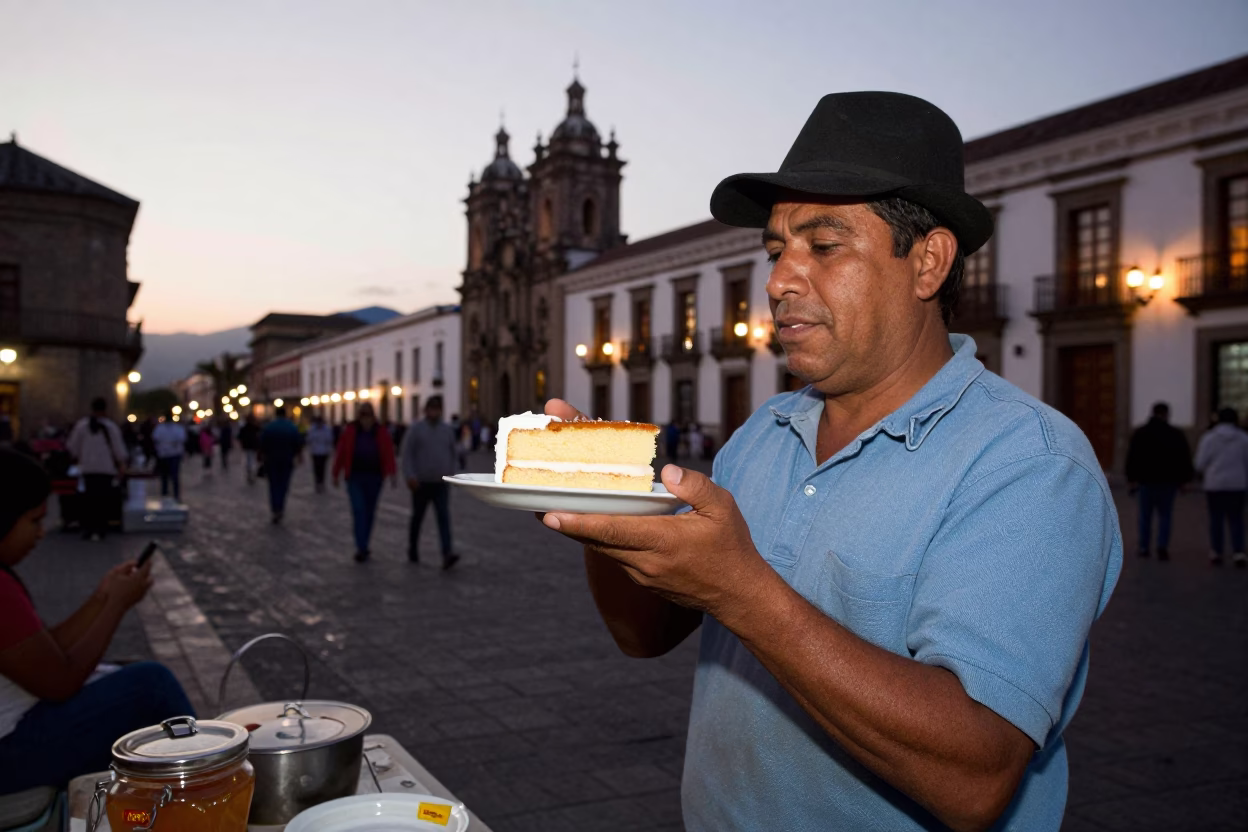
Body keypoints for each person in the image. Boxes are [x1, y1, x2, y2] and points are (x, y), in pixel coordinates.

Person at [538, 92, 1122, 831]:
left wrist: (744, 590)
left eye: (824, 244)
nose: (780, 280)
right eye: (777, 250)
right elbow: (642, 634)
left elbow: (976, 776)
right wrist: (604, 505)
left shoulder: (1028, 465)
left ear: (929, 263)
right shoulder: (763, 434)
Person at [0, 449, 195, 790]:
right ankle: (215, 787)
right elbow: (59, 681)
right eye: (33, 521)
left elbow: (46, 649)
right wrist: (117, 606)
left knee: (125, 674)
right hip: (10, 753)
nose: (41, 532)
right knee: (151, 684)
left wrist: (101, 597)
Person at [1124, 402, 1194, 560]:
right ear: (1166, 414)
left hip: (1145, 481)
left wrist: (1131, 478)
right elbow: (1183, 458)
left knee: (1144, 516)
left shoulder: (1141, 432)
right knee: (1165, 515)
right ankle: (1162, 546)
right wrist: (1185, 480)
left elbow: (1132, 457)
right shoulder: (1175, 433)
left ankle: (1144, 546)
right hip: (1168, 481)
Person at [332, 403, 397, 562]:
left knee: (369, 512)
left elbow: (388, 452)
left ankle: (365, 543)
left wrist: (392, 473)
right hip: (355, 477)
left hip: (375, 477)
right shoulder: (350, 431)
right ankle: (361, 547)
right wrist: (335, 473)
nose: (366, 419)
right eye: (363, 415)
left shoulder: (381, 432)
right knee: (359, 510)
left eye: (368, 415)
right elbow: (341, 452)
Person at [399, 396, 458, 569]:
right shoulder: (416, 430)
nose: (434, 412)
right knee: (417, 517)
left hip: (440, 483)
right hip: (421, 483)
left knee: (443, 518)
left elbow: (452, 453)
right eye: (431, 408)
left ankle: (447, 553)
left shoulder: (447, 430)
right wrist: (410, 476)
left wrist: (452, 474)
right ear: (426, 410)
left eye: (437, 408)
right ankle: (413, 548)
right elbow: (407, 455)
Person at [66, 397, 127, 541]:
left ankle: (88, 527)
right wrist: (121, 464)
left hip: (87, 468)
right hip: (106, 469)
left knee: (89, 499)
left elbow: (72, 447)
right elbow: (119, 449)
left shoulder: (82, 426)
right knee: (103, 499)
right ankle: (101, 528)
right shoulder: (111, 427)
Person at [1194, 407, 1248, 567]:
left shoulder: (1209, 438)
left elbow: (1200, 463)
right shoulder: (1244, 438)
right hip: (1237, 483)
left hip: (1215, 484)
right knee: (1237, 519)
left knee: (1216, 519)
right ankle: (1238, 551)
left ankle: (1216, 551)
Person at [258, 407, 303, 523]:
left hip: (271, 460)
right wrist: (299, 456)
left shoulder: (269, 427)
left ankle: (275, 508)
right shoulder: (291, 427)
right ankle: (280, 507)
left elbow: (262, 442)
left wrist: (261, 456)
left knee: (273, 485)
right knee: (284, 484)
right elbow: (298, 442)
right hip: (287, 459)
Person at [151, 414, 188, 502]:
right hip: (172, 454)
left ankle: (166, 495)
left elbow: (155, 438)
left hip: (166, 455)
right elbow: (183, 438)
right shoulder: (177, 428)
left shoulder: (160, 428)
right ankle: (173, 495)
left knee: (166, 476)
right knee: (172, 476)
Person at [305, 414, 335, 494]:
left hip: (324, 452)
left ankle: (321, 482)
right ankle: (317, 482)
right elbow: (309, 439)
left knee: (323, 468)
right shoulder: (312, 429)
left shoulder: (326, 429)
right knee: (316, 468)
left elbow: (329, 439)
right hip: (315, 452)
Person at [238, 414, 261, 484]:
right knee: (252, 460)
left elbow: (240, 437)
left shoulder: (245, 428)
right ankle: (251, 474)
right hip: (252, 446)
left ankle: (250, 474)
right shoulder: (254, 427)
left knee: (249, 460)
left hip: (248, 446)